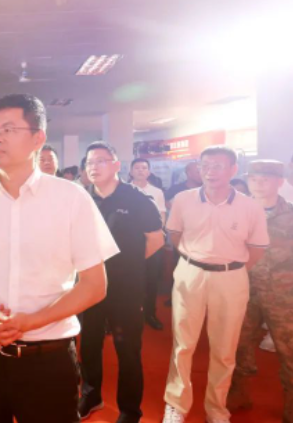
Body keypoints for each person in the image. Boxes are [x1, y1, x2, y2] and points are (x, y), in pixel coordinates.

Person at [0, 94, 119, 423]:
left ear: (38, 138)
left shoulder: (71, 199)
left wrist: (33, 321)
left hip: (47, 358)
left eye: (8, 129)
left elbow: (95, 285)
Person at [162, 146, 269, 423]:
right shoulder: (183, 200)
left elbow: (257, 248)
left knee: (224, 348)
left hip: (231, 277)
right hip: (190, 273)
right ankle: (176, 404)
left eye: (218, 166)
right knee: (183, 344)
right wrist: (196, 261)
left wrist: (229, 268)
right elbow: (175, 235)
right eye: (205, 165)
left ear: (233, 170)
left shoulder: (250, 206)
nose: (210, 171)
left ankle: (217, 408)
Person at [79, 143, 164, 423]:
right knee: (89, 344)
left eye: (101, 161)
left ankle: (130, 409)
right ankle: (91, 395)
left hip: (126, 288)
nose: (94, 167)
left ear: (116, 165)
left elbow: (156, 240)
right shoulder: (81, 198)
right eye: (89, 162)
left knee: (127, 349)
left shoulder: (137, 199)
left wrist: (128, 265)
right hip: (89, 286)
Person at [227, 160, 293, 423]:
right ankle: (240, 392)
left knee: (289, 349)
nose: (259, 184)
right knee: (238, 343)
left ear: (280, 182)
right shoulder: (236, 213)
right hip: (243, 290)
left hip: (283, 294)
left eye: (266, 179)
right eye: (254, 179)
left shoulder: (290, 214)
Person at [129, 157, 168, 330]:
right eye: (137, 167)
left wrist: (158, 236)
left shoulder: (156, 192)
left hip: (152, 241)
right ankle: (129, 313)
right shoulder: (124, 190)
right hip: (130, 243)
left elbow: (162, 215)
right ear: (131, 171)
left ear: (149, 172)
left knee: (151, 279)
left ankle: (150, 313)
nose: (141, 170)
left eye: (144, 168)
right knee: (129, 279)